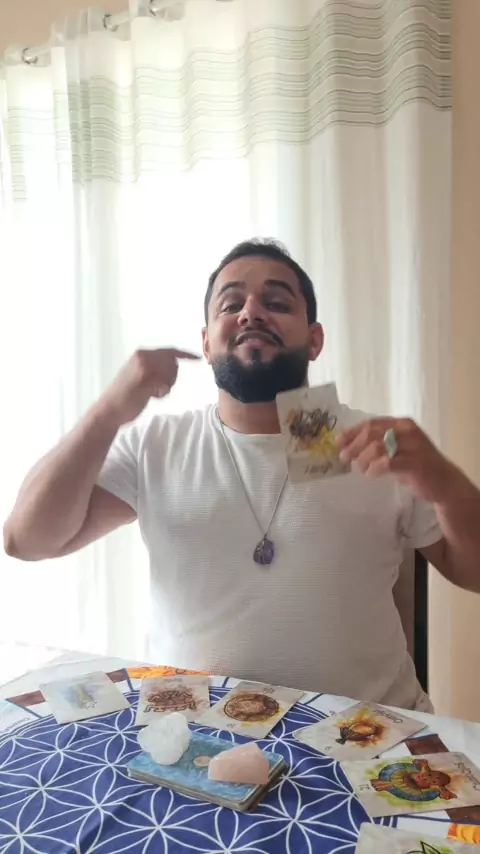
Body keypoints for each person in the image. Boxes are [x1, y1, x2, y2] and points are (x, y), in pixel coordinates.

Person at [4, 238, 480, 712]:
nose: (251, 312)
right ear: (206, 343)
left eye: (277, 303)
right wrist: (107, 412)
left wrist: (445, 481)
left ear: (315, 340)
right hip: (194, 733)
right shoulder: (156, 445)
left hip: (369, 734)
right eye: (231, 304)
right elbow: (26, 539)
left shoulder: (379, 445)